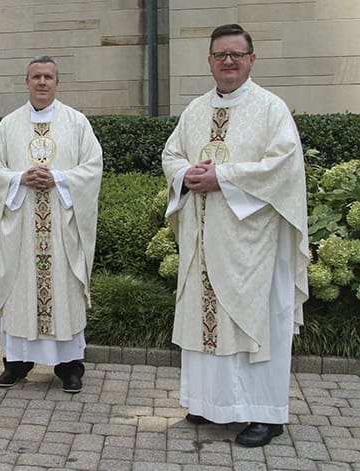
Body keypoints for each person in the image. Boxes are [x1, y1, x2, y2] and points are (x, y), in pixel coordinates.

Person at [162, 24, 309, 447]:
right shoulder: (194, 111)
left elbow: (283, 167)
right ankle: (209, 404)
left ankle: (264, 414)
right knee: (205, 321)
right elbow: (172, 154)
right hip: (204, 242)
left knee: (252, 325)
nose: (228, 61)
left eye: (236, 54)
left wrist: (222, 177)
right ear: (209, 60)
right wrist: (185, 175)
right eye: (220, 54)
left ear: (251, 59)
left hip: (252, 247)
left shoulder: (270, 109)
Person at [0, 56, 102, 393]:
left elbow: (93, 167)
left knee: (64, 293)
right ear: (27, 82)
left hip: (62, 229)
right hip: (21, 230)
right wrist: (20, 178)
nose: (42, 82)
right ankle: (16, 364)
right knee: (21, 292)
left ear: (57, 82)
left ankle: (69, 367)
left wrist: (58, 178)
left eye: (48, 77)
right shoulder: (9, 125)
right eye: (36, 76)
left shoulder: (77, 123)